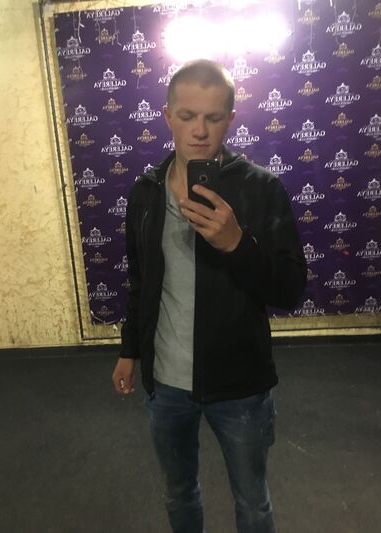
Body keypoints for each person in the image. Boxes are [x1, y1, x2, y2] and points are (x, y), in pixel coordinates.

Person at [112, 59, 307, 533]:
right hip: (166, 384)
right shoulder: (145, 192)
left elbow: (290, 289)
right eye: (187, 116)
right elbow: (140, 281)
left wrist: (238, 244)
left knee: (253, 501)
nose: (199, 130)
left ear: (230, 119)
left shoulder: (261, 189)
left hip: (240, 385)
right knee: (179, 493)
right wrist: (129, 351)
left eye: (213, 117)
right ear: (168, 116)